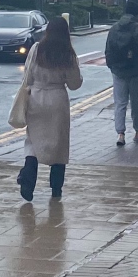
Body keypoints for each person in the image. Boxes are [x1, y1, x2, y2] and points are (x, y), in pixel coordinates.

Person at [18, 15, 83, 199]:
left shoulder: (36, 49)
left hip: (36, 98)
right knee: (59, 144)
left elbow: (28, 76)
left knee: (32, 142)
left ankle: (28, 181)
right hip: (57, 100)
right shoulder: (68, 54)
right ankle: (56, 188)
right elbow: (74, 84)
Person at [103, 2, 138, 147]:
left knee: (120, 103)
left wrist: (112, 66)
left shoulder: (114, 29)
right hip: (137, 72)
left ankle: (120, 134)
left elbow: (108, 49)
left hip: (118, 71)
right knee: (136, 102)